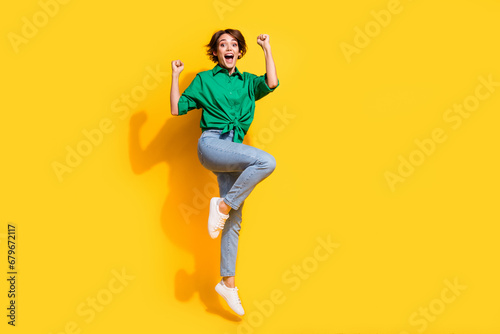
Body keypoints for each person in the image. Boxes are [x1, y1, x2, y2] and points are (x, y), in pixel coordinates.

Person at [170, 28, 279, 316]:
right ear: (216, 53)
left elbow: (272, 82)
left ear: (240, 52)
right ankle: (222, 205)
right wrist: (175, 76)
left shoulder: (247, 83)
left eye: (233, 44)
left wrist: (266, 48)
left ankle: (227, 284)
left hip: (235, 149)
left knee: (234, 221)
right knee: (266, 162)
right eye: (222, 44)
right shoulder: (205, 79)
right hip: (212, 144)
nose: (228, 48)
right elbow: (176, 108)